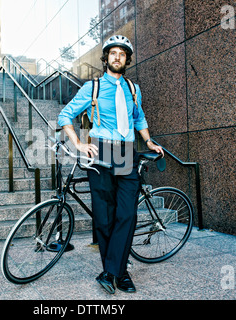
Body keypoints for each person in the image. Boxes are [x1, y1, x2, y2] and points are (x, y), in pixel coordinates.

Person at [57, 35, 164, 294]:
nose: (117, 57)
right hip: (101, 151)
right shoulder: (91, 88)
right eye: (113, 53)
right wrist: (79, 144)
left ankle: (110, 272)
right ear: (106, 58)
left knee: (126, 214)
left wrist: (148, 141)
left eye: (122, 53)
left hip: (127, 152)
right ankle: (121, 273)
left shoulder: (133, 88)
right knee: (105, 219)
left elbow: (139, 117)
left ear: (127, 59)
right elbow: (65, 115)